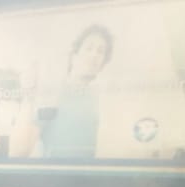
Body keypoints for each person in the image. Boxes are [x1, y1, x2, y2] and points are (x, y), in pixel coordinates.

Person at [17, 24, 113, 159]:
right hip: (52, 178)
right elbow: (19, 152)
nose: (94, 55)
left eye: (100, 51)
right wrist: (28, 96)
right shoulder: (52, 94)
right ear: (74, 56)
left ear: (103, 64)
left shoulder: (102, 101)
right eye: (89, 48)